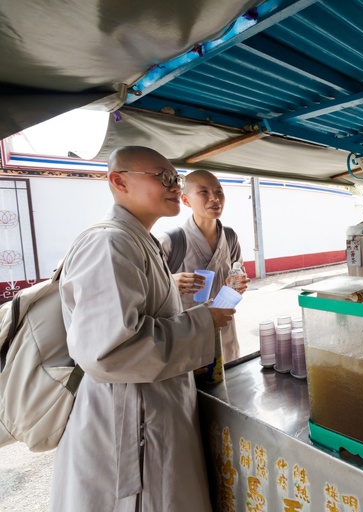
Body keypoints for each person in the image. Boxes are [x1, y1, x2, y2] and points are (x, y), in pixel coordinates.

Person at [52, 146, 235, 511]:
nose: (173, 186)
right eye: (163, 177)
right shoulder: (109, 243)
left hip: (156, 407)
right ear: (119, 181)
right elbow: (110, 351)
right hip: (128, 422)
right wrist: (204, 320)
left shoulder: (141, 240)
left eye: (176, 178)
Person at [157, 170, 248, 363]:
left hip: (225, 334)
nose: (215, 198)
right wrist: (170, 282)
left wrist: (238, 285)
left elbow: (238, 276)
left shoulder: (230, 237)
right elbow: (149, 294)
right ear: (186, 200)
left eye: (219, 192)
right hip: (188, 339)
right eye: (204, 192)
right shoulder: (171, 241)